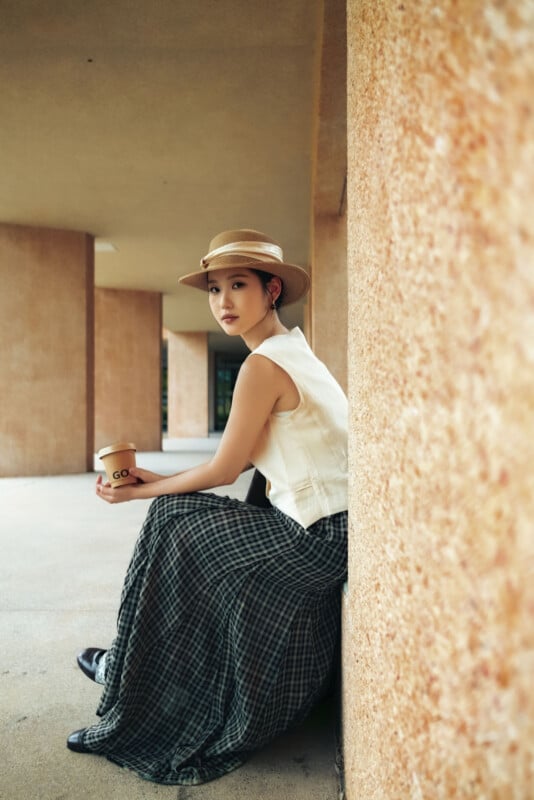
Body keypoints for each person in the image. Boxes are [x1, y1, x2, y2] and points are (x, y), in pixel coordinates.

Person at [66, 228, 348, 786]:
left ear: (271, 291)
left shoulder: (262, 365)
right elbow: (246, 455)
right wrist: (164, 477)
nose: (223, 301)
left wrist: (136, 492)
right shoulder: (291, 350)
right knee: (180, 514)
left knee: (172, 521)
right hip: (330, 528)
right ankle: (131, 668)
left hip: (317, 540)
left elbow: (222, 469)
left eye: (238, 285)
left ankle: (131, 680)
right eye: (215, 288)